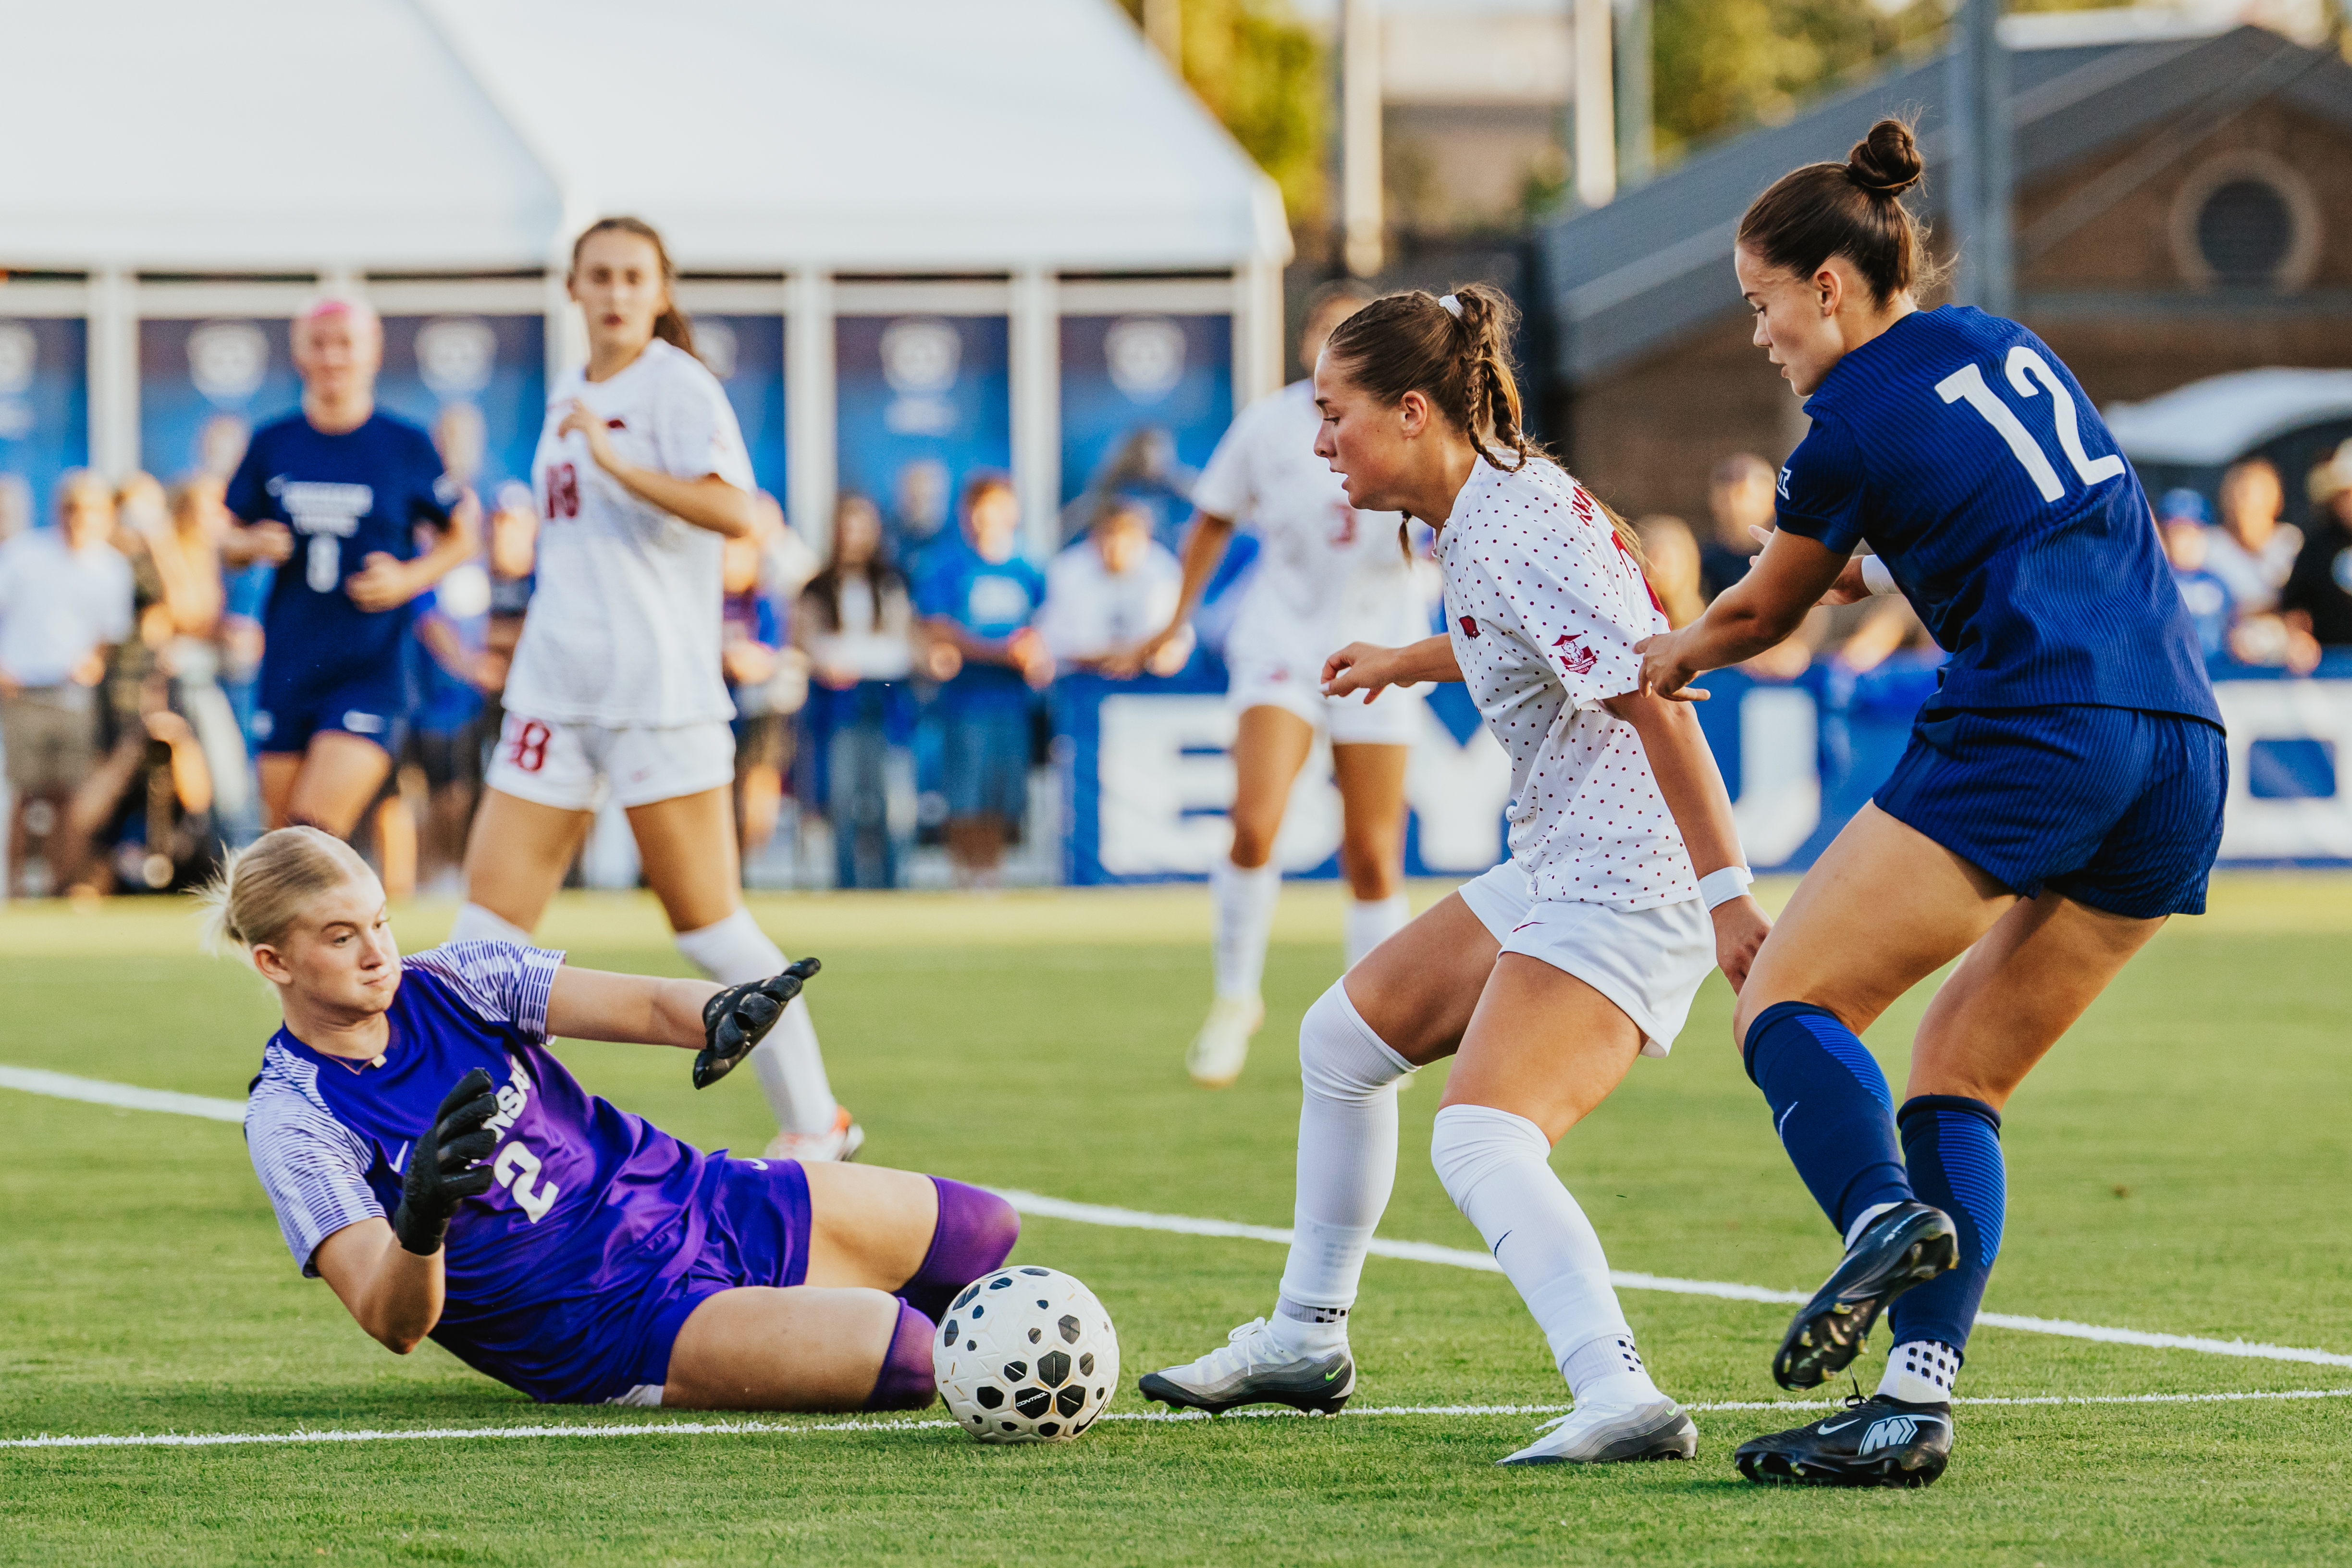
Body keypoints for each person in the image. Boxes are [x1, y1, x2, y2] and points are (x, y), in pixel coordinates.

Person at [1633, 120, 2227, 1489]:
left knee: (1786, 996)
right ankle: (1908, 1397)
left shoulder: (1842, 417)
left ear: (1826, 289)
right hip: (2180, 741)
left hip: (2038, 721)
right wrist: (1876, 558)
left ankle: (1877, 1214)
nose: (1759, 334)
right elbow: (2012, 516)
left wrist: (1671, 651)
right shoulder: (2002, 342)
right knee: (1957, 1069)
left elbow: (1760, 609)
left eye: (1761, 304)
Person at [1139, 285, 1771, 1467]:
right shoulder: (1478, 509)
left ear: (1415, 410)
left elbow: (1655, 697)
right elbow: (1516, 633)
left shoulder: (1516, 521)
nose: (1318, 440)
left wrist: (1726, 894)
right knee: (1338, 1044)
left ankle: (1618, 1391)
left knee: (1480, 1138)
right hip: (1565, 859)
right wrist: (1407, 659)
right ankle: (1305, 1338)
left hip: (1630, 879)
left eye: (1336, 415)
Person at [215, 826, 1019, 1411]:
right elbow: (392, 1322)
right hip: (602, 1319)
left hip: (689, 1197)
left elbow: (640, 1002)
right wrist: (421, 1215)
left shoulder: (455, 976)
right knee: (913, 1355)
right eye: (341, 935)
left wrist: (720, 1010)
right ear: (275, 962)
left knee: (985, 1229)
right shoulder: (293, 1115)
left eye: (381, 921)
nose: (377, 951)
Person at [448, 217, 858, 1165]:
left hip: (656, 694)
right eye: (599, 275)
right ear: (572, 288)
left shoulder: (676, 385)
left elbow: (734, 510)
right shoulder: (570, 387)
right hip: (556, 688)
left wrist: (622, 465)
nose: (616, 291)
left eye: (634, 275)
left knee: (710, 925)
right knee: (483, 936)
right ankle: (469, 1136)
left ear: (660, 289)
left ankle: (818, 1121)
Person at [1130, 281, 1429, 1088]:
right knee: (1254, 819)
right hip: (1285, 643)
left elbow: (1446, 517)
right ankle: (1235, 998)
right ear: (1308, 347)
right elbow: (1214, 516)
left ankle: (1379, 1021)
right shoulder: (1268, 424)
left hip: (1384, 643)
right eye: (1325, 333)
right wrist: (1174, 618)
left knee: (1372, 852)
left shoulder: (1412, 416)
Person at [219, 297, 479, 840]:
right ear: (299, 353)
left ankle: (362, 923)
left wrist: (408, 578)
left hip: (371, 664)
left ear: (373, 353)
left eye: (345, 343)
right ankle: (295, 928)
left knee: (312, 830)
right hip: (291, 660)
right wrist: (250, 541)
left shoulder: (403, 444)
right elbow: (224, 535)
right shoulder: (275, 441)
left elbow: (463, 531)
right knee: (281, 844)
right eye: (319, 343)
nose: (332, 356)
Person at [0, 472, 135, 896]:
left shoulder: (111, 567)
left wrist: (93, 662)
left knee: (71, 799)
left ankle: (62, 886)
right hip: (23, 690)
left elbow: (109, 635)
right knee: (27, 794)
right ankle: (21, 890)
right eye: (73, 509)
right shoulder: (23, 555)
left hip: (73, 695)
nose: (79, 519)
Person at [916, 472, 1051, 886]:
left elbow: (1046, 627)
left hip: (1012, 703)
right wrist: (998, 652)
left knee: (1002, 796)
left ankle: (991, 875)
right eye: (976, 508)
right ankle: (964, 875)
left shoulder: (1028, 567)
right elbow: (938, 628)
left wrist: (1032, 656)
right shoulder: (947, 566)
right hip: (965, 702)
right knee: (966, 795)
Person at [798, 494, 919, 890]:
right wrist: (822, 661)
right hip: (839, 702)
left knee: (889, 796)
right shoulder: (818, 588)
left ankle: (890, 882)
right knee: (844, 795)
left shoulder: (892, 582)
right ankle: (846, 882)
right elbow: (803, 640)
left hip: (884, 696)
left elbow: (908, 639)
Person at [1045, 497, 1194, 675]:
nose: (1117, 545)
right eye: (1109, 534)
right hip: (1082, 681)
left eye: (1127, 535)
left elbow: (1172, 646)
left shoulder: (1165, 571)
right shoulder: (1067, 570)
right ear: (1093, 537)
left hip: (1148, 682)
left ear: (1146, 538)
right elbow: (1056, 646)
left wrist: (1146, 656)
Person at [2283, 440, 2352, 648]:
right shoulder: (2316, 546)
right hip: (2328, 671)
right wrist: (2300, 640)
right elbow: (2296, 606)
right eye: (2345, 494)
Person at [1698, 454, 1778, 602]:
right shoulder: (1700, 563)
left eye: (1743, 494)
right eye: (1726, 497)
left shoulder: (1786, 556)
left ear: (1771, 501)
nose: (1734, 506)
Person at [2161, 503, 2233, 661]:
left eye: (2193, 532)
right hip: (2171, 668)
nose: (2186, 541)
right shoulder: (2157, 582)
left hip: (2217, 670)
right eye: (2178, 533)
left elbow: (2233, 628)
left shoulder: (2218, 582)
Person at [1632, 515, 1707, 629]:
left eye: (1668, 561)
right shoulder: (1631, 617)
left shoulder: (1702, 624)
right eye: (1655, 557)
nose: (1660, 569)